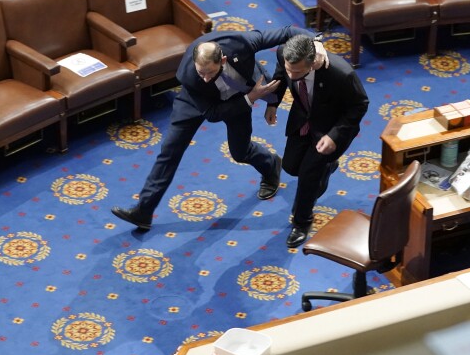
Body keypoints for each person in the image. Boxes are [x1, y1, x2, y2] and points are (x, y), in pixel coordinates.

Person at [112, 26, 312, 231]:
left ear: (223, 60)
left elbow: (287, 32)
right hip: (197, 101)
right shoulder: (190, 76)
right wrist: (251, 98)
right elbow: (213, 114)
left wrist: (317, 43)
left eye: (210, 72)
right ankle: (144, 211)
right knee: (170, 151)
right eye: (201, 72)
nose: (205, 77)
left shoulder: (241, 44)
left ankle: (270, 165)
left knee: (239, 152)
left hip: (237, 96)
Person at [265, 34, 369, 248]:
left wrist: (334, 136)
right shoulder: (284, 55)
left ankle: (302, 222)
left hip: (331, 128)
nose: (291, 75)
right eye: (289, 69)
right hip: (303, 119)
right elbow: (280, 76)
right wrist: (273, 104)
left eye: (297, 72)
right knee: (291, 167)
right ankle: (328, 166)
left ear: (312, 63)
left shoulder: (341, 74)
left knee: (307, 177)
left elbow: (359, 105)